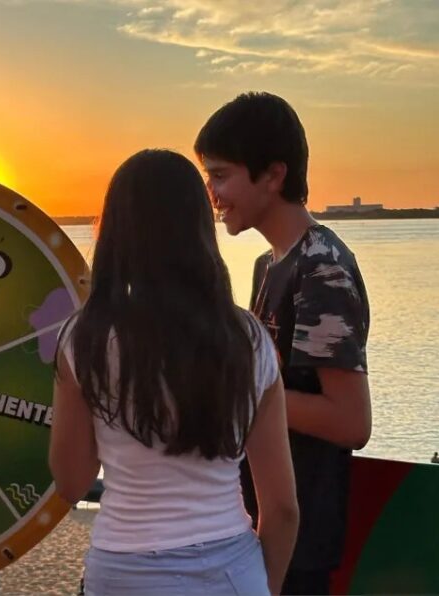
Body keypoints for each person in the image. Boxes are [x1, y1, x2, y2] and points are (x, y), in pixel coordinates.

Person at [50, 149, 299, 595]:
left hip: (123, 575)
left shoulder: (85, 338)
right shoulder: (249, 339)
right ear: (201, 228)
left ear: (116, 232)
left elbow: (72, 482)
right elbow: (281, 509)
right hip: (232, 573)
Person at [195, 91, 372, 595]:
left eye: (220, 175)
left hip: (302, 541)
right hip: (263, 526)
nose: (211, 193)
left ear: (273, 175)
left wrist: (237, 394)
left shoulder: (321, 266)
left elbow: (351, 421)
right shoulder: (269, 265)